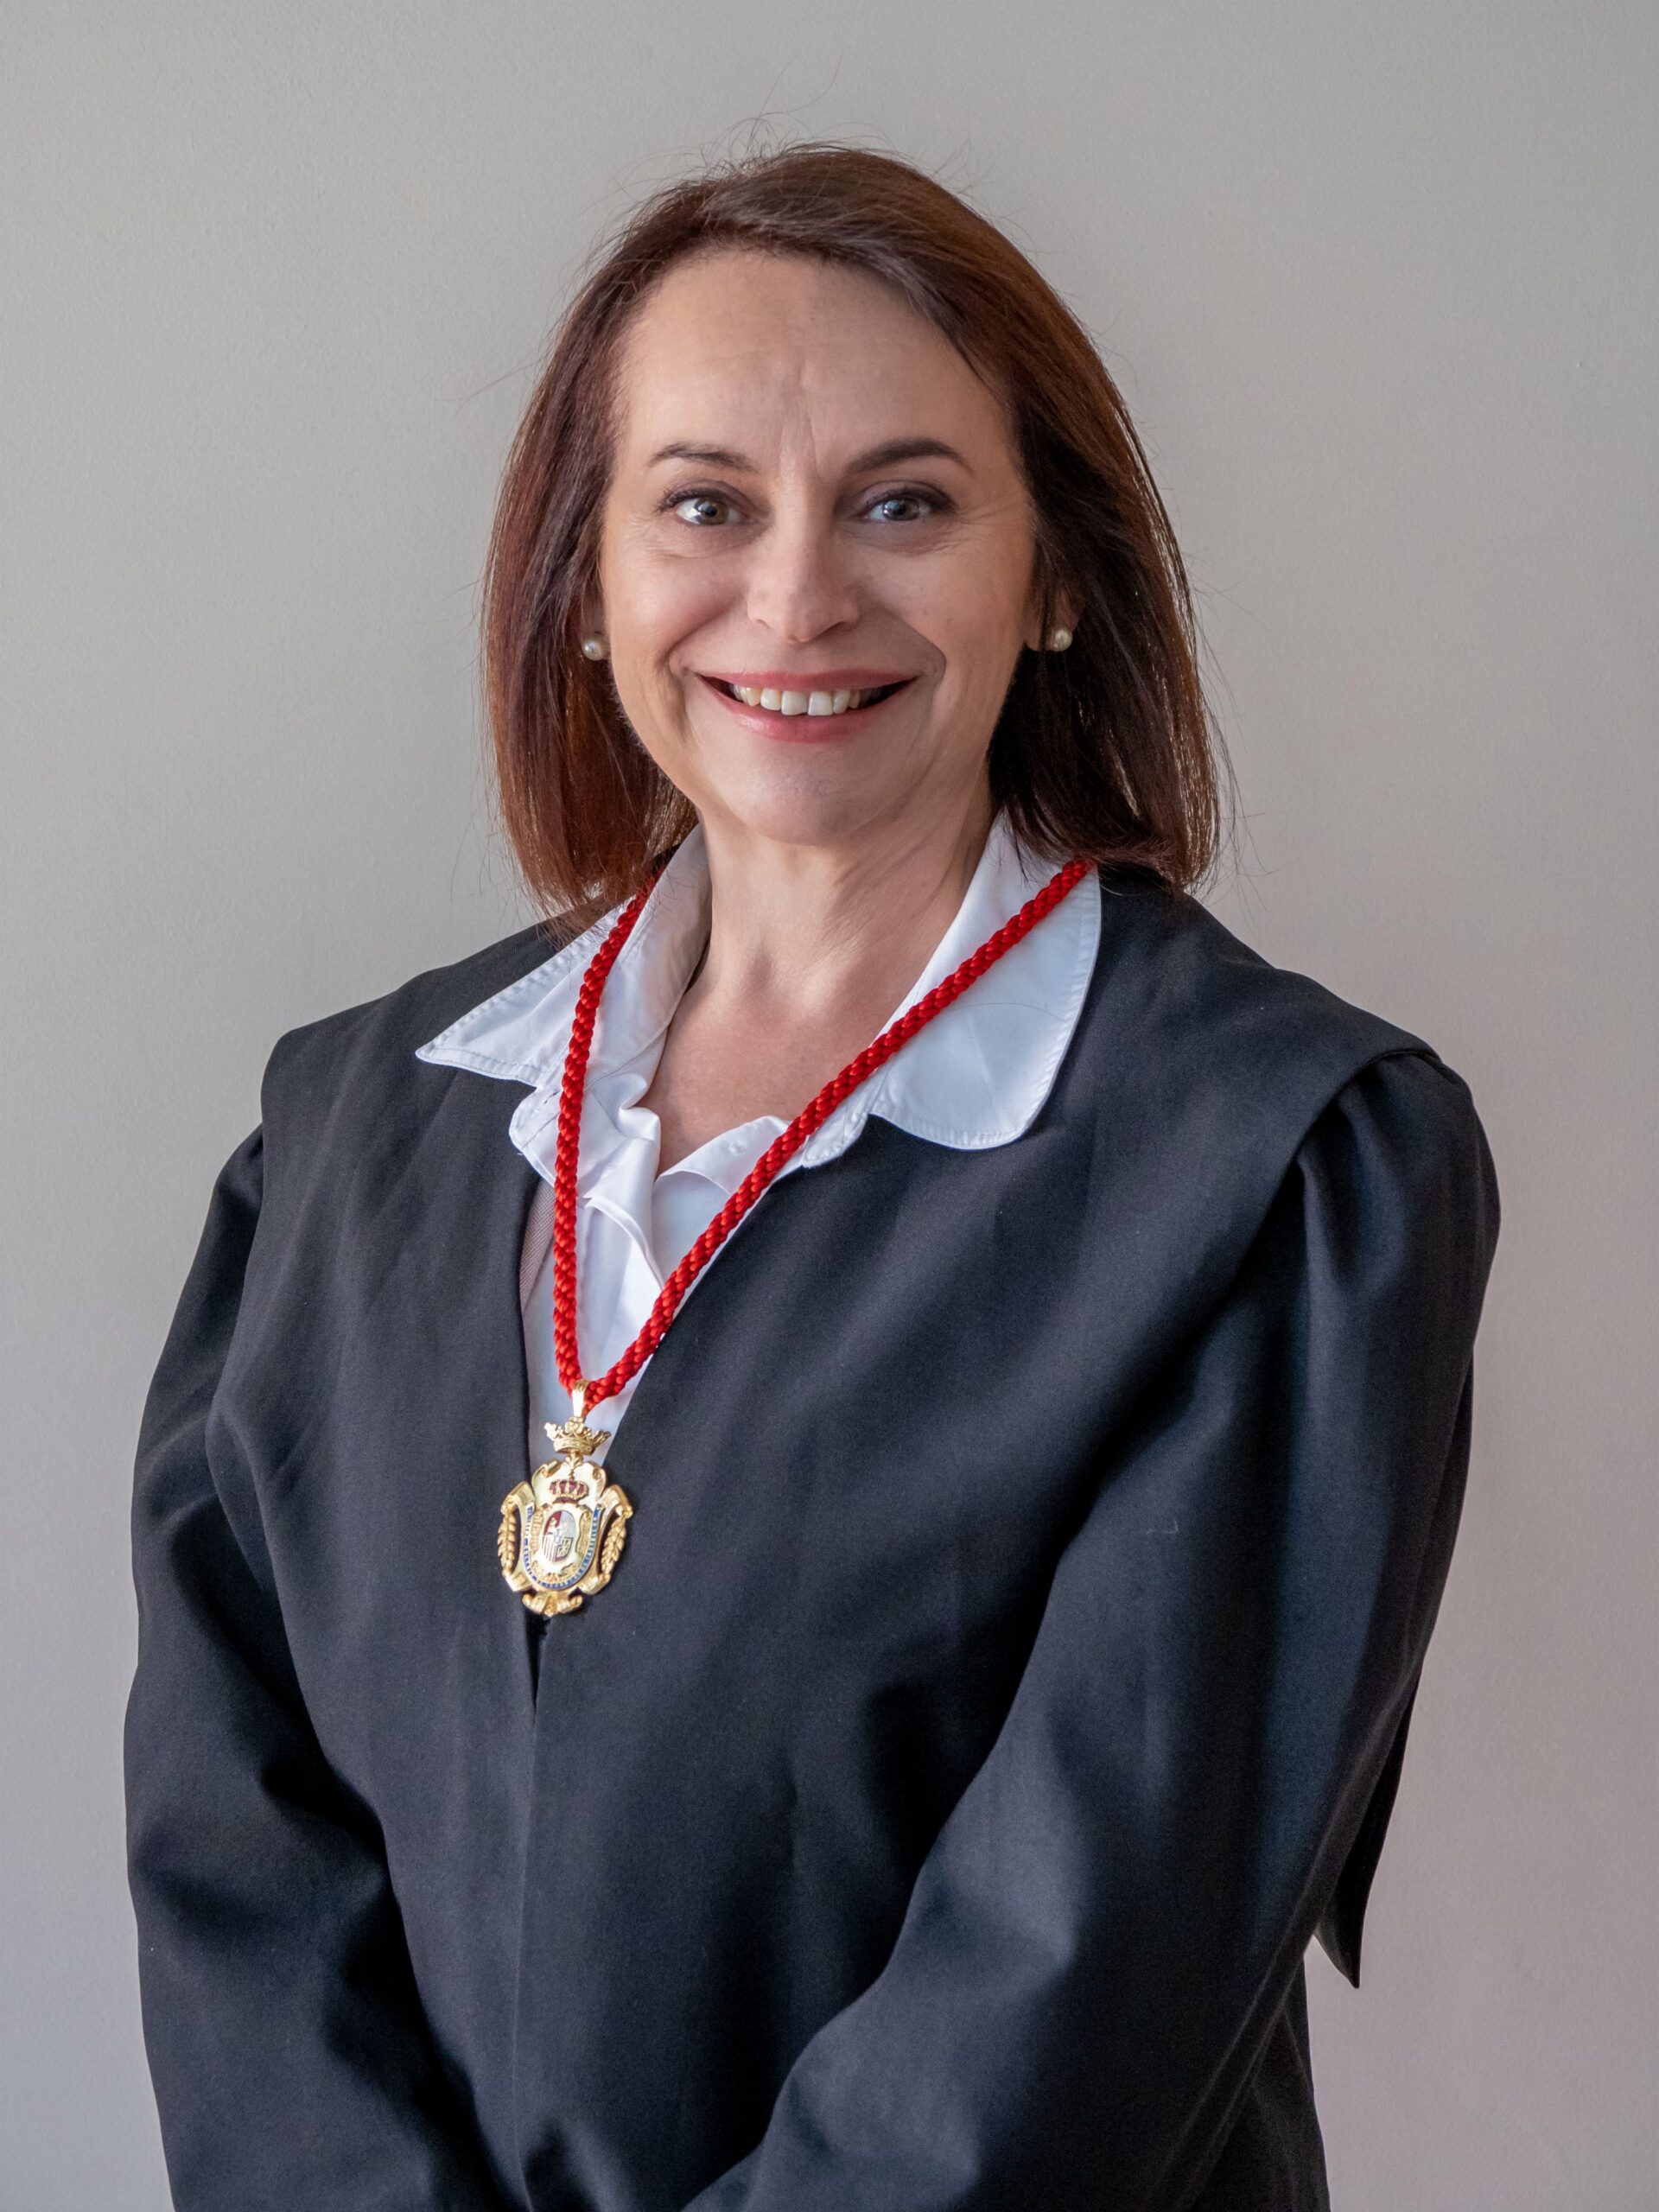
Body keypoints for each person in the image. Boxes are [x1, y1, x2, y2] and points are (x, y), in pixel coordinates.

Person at [124, 143, 1500, 2212]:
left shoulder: (1283, 1168)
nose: (794, 599)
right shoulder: (344, 1142)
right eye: (705, 504)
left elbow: (1071, 1999)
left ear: (1054, 580)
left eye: (904, 502)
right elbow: (239, 1877)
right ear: (584, 581)